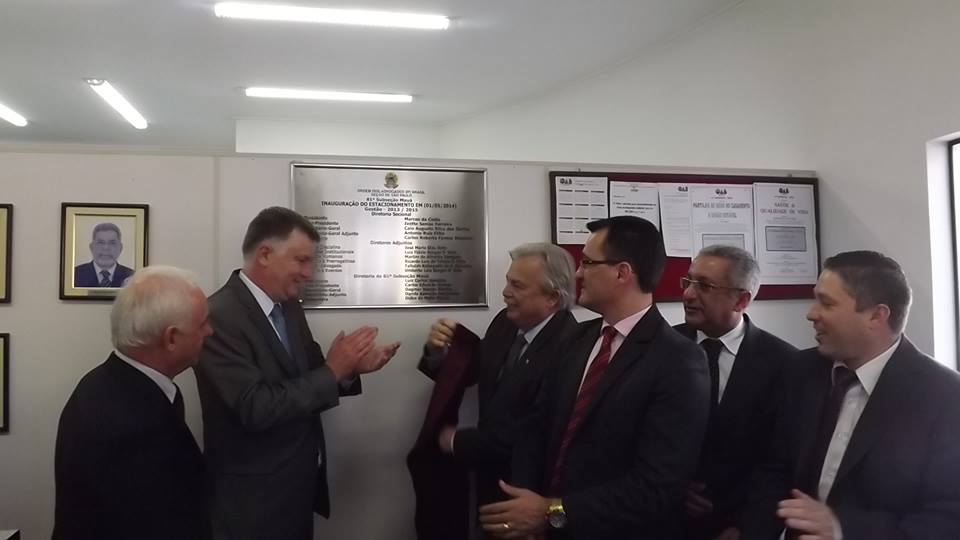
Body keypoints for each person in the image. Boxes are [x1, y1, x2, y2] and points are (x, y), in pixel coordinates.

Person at [480, 216, 710, 539]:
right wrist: (523, 504)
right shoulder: (576, 339)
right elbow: (536, 428)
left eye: (587, 263)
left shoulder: (678, 360)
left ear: (622, 272)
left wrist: (551, 513)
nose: (577, 273)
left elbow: (657, 486)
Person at [195, 206, 401, 540]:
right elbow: (255, 407)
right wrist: (333, 370)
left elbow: (311, 375)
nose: (309, 273)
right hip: (250, 502)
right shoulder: (218, 316)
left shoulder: (288, 306)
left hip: (296, 490)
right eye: (301, 260)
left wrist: (349, 369)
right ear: (265, 255)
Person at [741, 250, 960, 540]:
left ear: (876, 316)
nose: (811, 314)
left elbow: (947, 518)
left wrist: (844, 529)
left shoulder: (943, 396)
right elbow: (773, 469)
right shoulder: (798, 371)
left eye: (826, 303)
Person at [53, 266, 212, 539]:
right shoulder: (132, 428)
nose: (210, 331)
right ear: (171, 338)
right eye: (202, 324)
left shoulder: (105, 382)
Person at [420, 243, 579, 504]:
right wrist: (438, 351)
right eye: (508, 281)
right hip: (488, 478)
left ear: (552, 297)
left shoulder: (571, 347)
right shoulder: (504, 323)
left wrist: (458, 441)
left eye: (518, 286)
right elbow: (471, 373)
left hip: (527, 492)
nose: (505, 292)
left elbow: (537, 430)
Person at [674, 245, 797, 540]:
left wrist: (745, 527)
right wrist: (673, 487)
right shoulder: (661, 348)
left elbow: (780, 462)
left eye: (704, 286)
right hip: (662, 520)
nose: (688, 294)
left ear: (742, 299)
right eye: (688, 281)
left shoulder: (785, 364)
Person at [73, 222, 134, 287]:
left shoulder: (132, 276)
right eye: (100, 243)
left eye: (112, 243)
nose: (106, 248)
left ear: (120, 248)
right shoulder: (75, 274)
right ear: (91, 247)